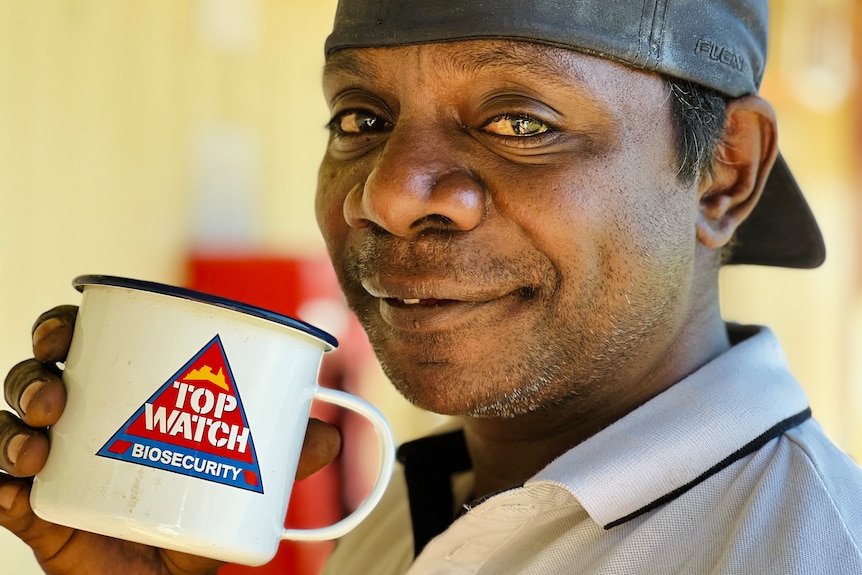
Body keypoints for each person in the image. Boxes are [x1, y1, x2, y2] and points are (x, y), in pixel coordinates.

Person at [2, 0, 862, 573]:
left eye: (521, 122)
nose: (385, 191)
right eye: (360, 120)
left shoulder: (812, 551)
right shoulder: (402, 527)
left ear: (723, 172)